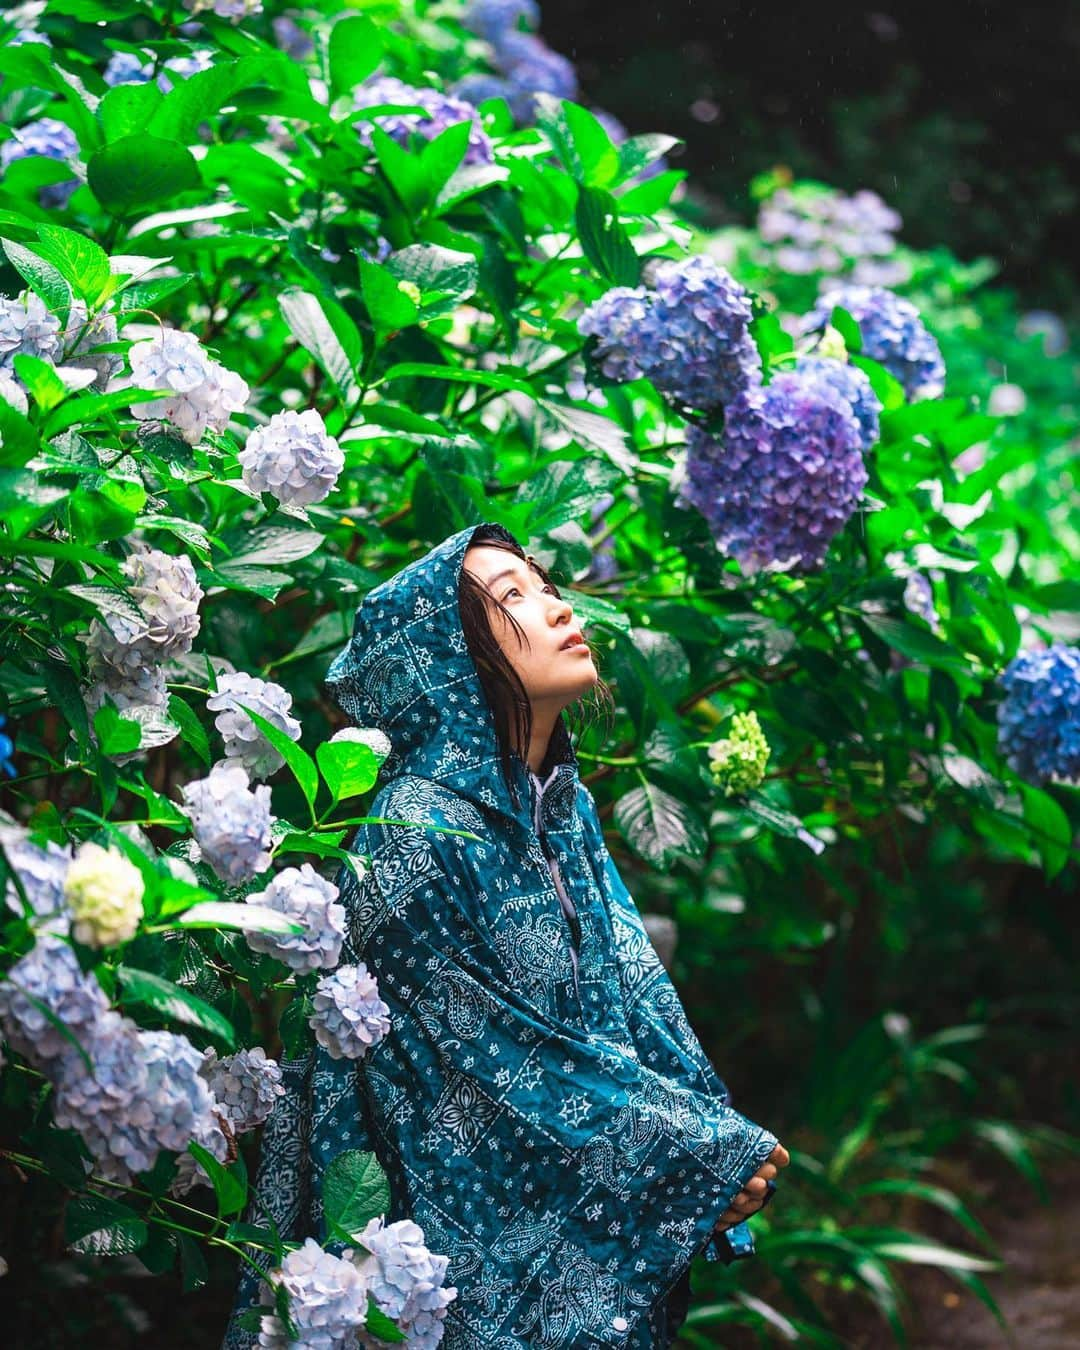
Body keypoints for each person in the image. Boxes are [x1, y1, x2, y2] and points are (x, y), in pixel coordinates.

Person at [222, 520, 788, 1349]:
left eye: (543, 584)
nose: (558, 606)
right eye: (513, 598)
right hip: (448, 1264)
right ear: (447, 658)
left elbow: (641, 998)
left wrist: (715, 1159)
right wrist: (691, 1153)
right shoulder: (412, 830)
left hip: (596, 1212)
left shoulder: (565, 808)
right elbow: (483, 1059)